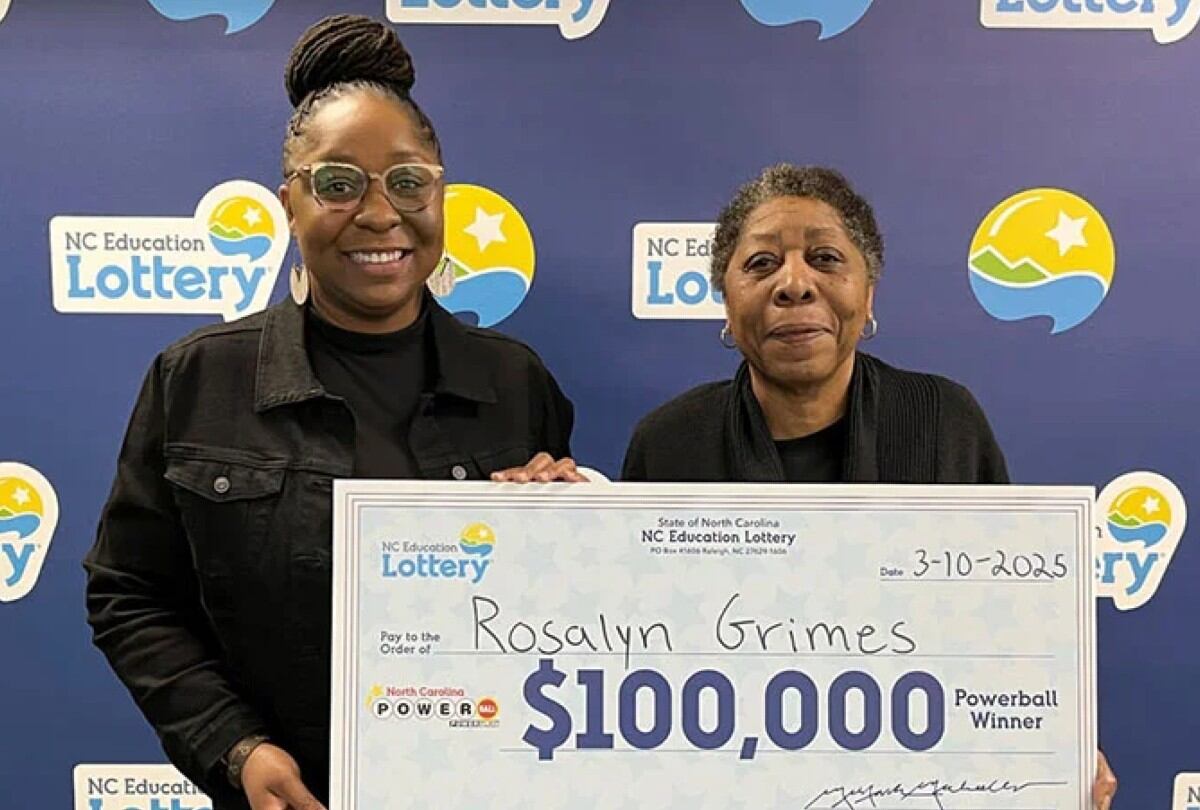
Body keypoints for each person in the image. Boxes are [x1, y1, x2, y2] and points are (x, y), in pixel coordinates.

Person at [84, 15, 581, 810]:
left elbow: (557, 621)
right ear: (290, 202)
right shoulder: (199, 379)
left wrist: (568, 529)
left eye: (409, 182)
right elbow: (130, 592)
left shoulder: (516, 384)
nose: (381, 214)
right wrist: (235, 748)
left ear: (441, 193)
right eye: (339, 183)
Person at [621, 164, 1118, 808]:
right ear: (725, 297)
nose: (793, 285)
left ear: (869, 293)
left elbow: (1008, 636)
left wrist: (1051, 748)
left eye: (825, 259)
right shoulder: (669, 443)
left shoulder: (943, 422)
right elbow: (630, 661)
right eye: (761, 264)